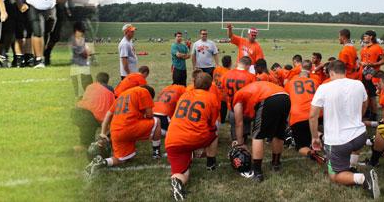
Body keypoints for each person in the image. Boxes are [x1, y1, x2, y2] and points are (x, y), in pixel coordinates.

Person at [309, 61, 380, 198]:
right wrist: (357, 118)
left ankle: (363, 179)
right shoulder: (358, 84)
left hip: (338, 141)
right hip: (360, 135)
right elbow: (365, 103)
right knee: (352, 147)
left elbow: (313, 115)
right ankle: (351, 167)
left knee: (335, 176)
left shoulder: (324, 87)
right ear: (345, 71)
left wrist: (315, 137)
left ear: (331, 73)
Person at [165, 72, 223, 201]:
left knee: (181, 172)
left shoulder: (184, 95)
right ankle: (211, 163)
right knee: (214, 132)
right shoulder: (211, 97)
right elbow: (211, 123)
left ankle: (177, 182)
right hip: (194, 138)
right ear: (209, 86)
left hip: (172, 140)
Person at [231, 80, 290, 181]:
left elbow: (239, 122)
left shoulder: (237, 96)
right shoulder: (250, 89)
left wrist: (240, 144)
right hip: (285, 97)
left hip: (269, 98)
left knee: (257, 135)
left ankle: (257, 172)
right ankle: (276, 164)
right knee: (278, 133)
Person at [88, 85, 158, 169]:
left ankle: (102, 162)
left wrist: (102, 132)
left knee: (121, 159)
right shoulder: (143, 91)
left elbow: (108, 114)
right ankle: (156, 153)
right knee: (157, 121)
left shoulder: (123, 95)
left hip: (115, 131)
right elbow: (150, 115)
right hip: (129, 127)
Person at [284, 60, 323, 162]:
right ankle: (321, 136)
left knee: (301, 147)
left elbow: (287, 99)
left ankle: (311, 153)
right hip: (315, 114)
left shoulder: (291, 83)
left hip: (298, 116)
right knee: (310, 131)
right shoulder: (315, 81)